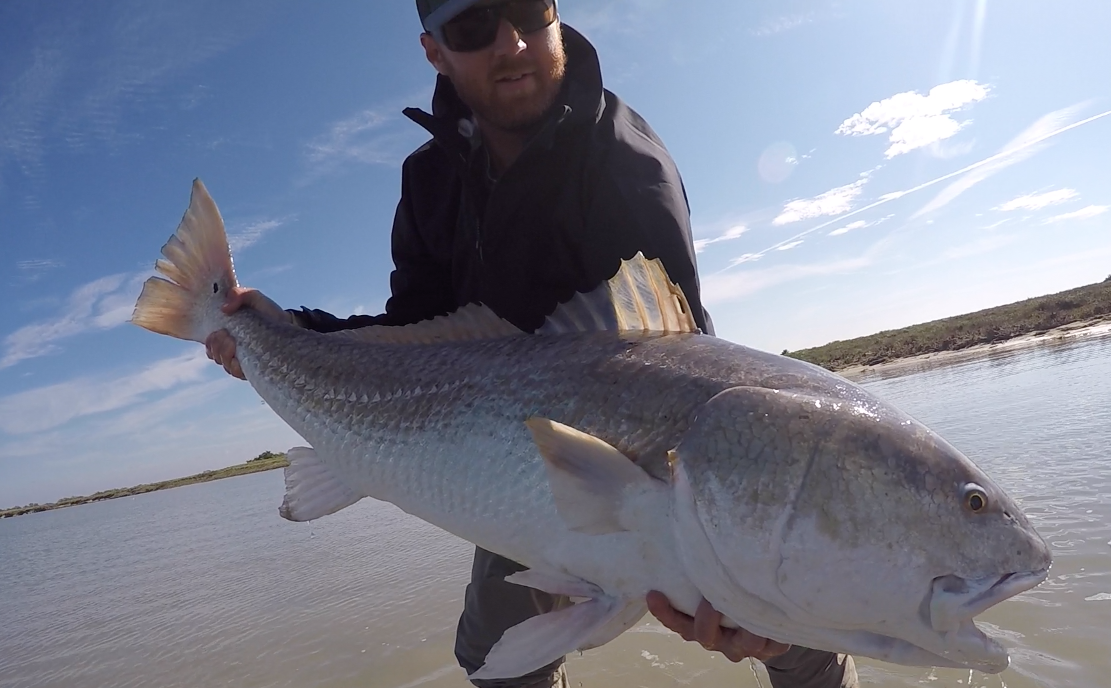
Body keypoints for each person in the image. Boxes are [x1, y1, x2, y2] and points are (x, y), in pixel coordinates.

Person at [205, 1, 858, 687]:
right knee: (496, 658)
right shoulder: (427, 179)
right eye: (473, 28)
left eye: (527, 10)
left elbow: (680, 351)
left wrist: (734, 552)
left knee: (781, 618)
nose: (512, 43)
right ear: (434, 52)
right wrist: (285, 333)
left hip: (626, 442)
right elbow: (414, 332)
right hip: (499, 447)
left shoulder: (626, 163)